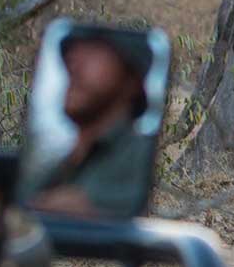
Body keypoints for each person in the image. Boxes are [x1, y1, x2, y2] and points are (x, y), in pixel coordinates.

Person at [25, 28, 151, 217]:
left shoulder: (138, 155)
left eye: (94, 50)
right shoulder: (56, 167)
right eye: (71, 52)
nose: (73, 62)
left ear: (132, 79)